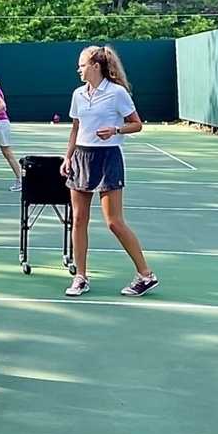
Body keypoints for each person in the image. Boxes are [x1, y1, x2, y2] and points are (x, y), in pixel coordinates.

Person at [60, 45, 158, 298]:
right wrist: (68, 156)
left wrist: (115, 130)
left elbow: (137, 124)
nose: (78, 69)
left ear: (95, 65)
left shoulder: (117, 93)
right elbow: (75, 128)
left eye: (82, 65)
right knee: (79, 220)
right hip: (81, 157)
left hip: (108, 158)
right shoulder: (78, 94)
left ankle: (146, 275)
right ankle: (80, 277)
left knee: (114, 222)